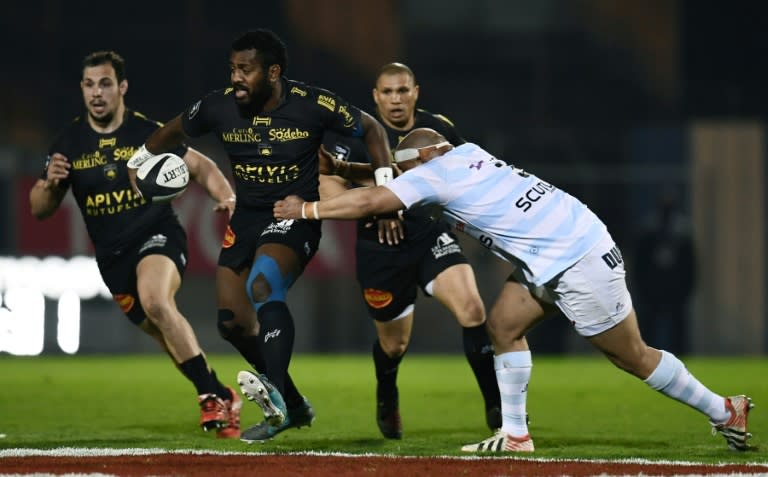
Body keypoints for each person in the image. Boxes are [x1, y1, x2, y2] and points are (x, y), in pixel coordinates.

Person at [274, 127, 754, 453]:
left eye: (408, 168)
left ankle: (724, 410)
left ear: (417, 162)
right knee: (502, 326)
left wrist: (307, 210)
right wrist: (350, 168)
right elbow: (396, 178)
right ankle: (515, 434)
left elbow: (380, 196)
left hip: (574, 259)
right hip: (556, 249)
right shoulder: (464, 154)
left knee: (633, 355)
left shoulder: (433, 173)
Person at [124, 29, 395, 443]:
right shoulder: (217, 107)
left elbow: (373, 129)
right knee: (231, 323)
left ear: (273, 72)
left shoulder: (311, 104)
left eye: (245, 70)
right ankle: (294, 402)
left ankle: (274, 401)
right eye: (233, 69)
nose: (236, 78)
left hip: (293, 216)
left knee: (264, 284)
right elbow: (172, 131)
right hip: (245, 220)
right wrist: (140, 160)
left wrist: (385, 190)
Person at [29, 51, 242, 438]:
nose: (97, 92)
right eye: (90, 84)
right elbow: (40, 209)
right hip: (112, 259)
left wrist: (226, 197)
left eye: (105, 83)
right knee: (164, 334)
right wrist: (47, 185)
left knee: (157, 301)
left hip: (156, 235)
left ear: (122, 87)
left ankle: (210, 397)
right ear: (82, 89)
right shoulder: (69, 143)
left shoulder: (146, 135)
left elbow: (201, 166)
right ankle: (220, 390)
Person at [320, 63, 500, 440]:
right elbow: (328, 188)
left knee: (472, 309)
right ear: (375, 95)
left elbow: (466, 174)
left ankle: (498, 407)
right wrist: (379, 204)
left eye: (402, 90)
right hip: (380, 249)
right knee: (394, 343)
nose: (396, 99)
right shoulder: (355, 133)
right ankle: (387, 395)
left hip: (428, 235)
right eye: (387, 92)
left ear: (416, 91)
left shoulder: (438, 130)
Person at [632, 189, 696, 355]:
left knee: (678, 331)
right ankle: (647, 360)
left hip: (676, 290)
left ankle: (681, 361)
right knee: (650, 329)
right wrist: (642, 288)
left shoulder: (682, 231)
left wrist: (686, 290)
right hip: (652, 289)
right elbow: (640, 263)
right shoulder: (648, 230)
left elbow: (690, 265)